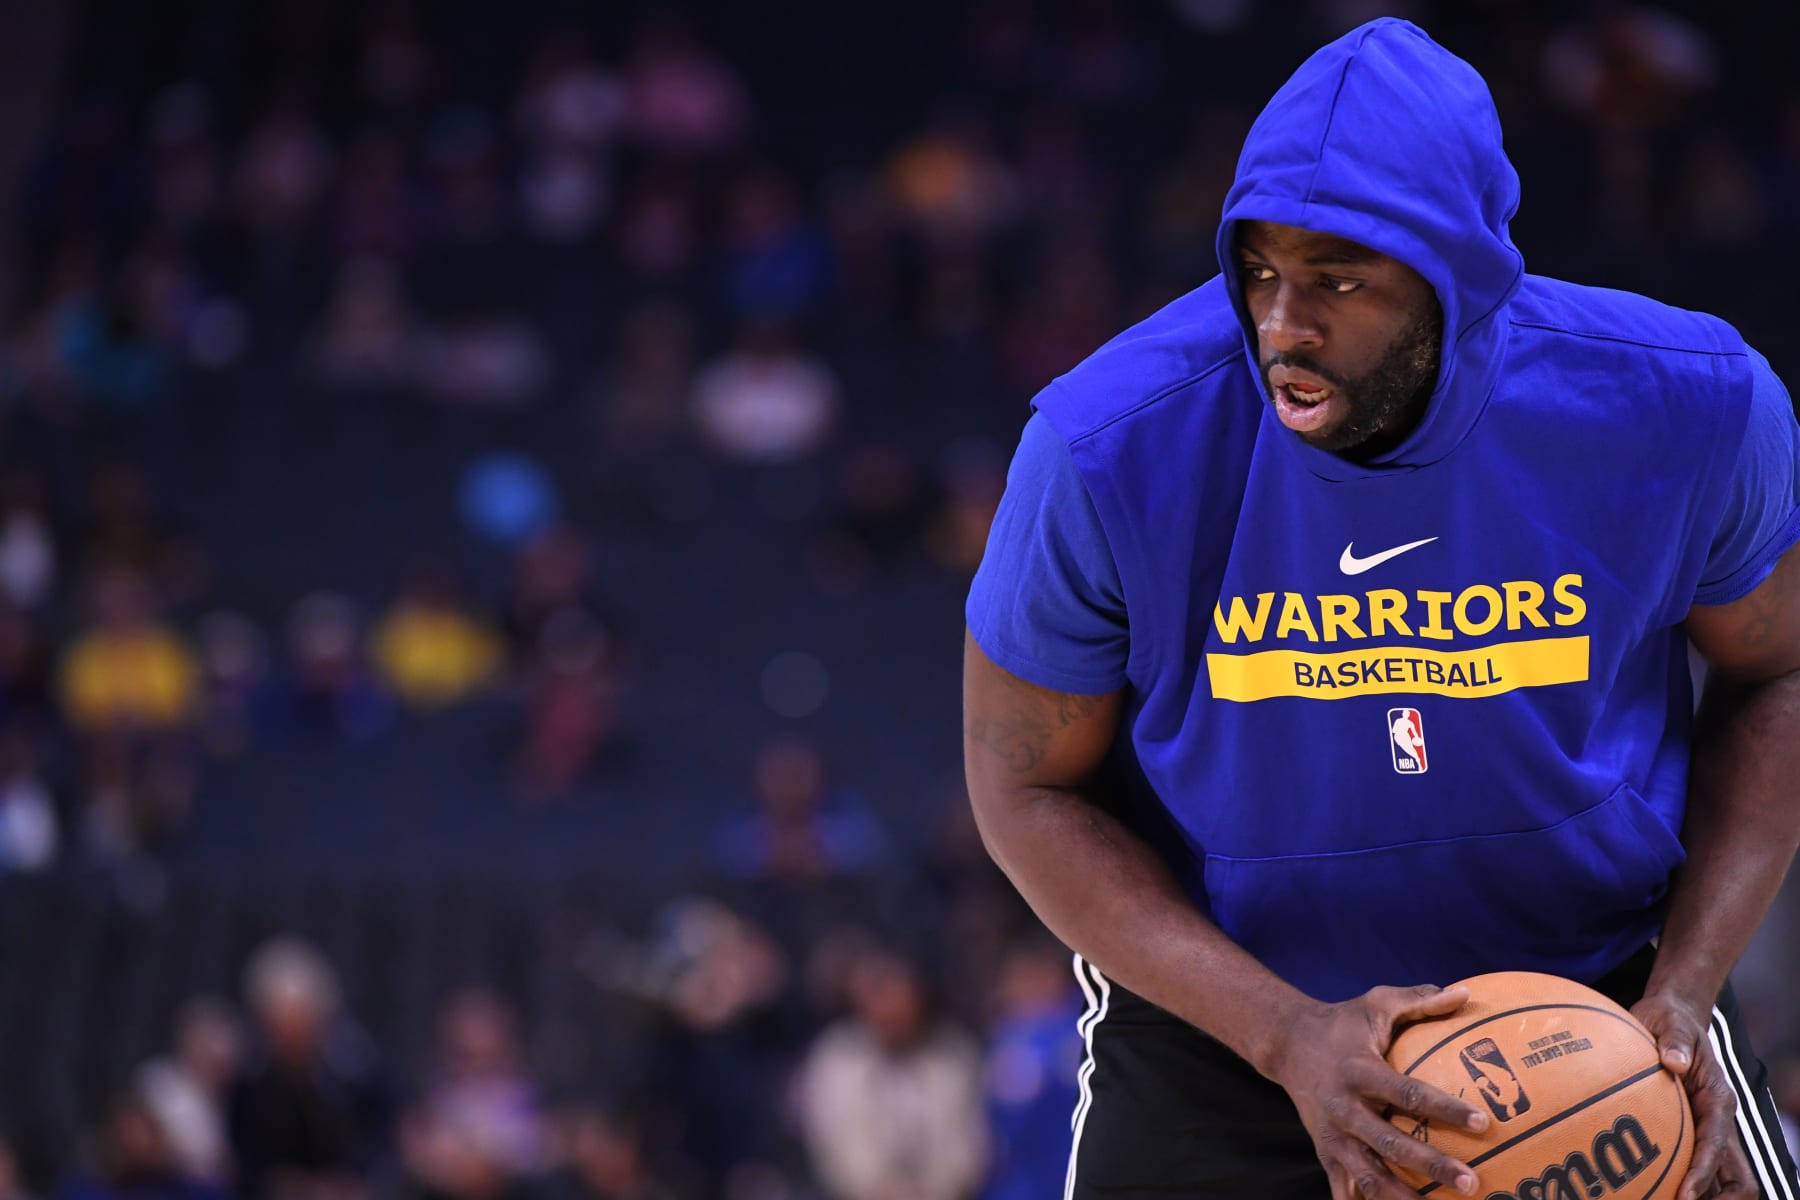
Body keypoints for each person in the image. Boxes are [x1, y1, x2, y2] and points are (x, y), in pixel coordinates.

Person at [961, 18, 1800, 1200]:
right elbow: (1021, 785)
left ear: (1462, 277)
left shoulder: (1689, 405)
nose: (1283, 326)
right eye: (1260, 272)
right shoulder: (1106, 446)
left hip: (1601, 1010)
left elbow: (1780, 672)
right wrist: (1282, 1031)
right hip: (1232, 1034)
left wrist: (1683, 998)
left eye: (1339, 280)